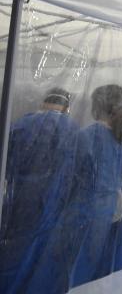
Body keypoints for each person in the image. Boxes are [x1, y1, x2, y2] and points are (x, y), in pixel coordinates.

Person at [0, 88, 78, 293]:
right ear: (67, 107)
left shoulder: (21, 124)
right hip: (52, 201)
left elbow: (6, 164)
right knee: (43, 257)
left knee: (14, 253)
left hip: (20, 198)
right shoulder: (71, 128)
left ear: (43, 103)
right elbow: (73, 172)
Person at [67, 84, 122, 287]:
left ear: (95, 106)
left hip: (92, 211)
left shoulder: (86, 137)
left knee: (84, 270)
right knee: (112, 270)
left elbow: (74, 176)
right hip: (121, 209)